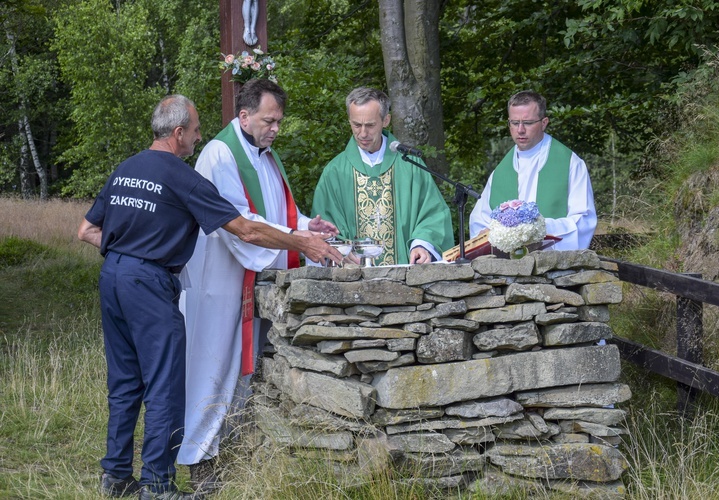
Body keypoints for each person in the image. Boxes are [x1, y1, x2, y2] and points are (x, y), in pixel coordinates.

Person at [78, 95, 340, 499]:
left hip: (112, 275)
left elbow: (86, 231)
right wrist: (300, 241)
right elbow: (245, 230)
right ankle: (157, 487)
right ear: (179, 133)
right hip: (148, 282)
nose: (200, 138)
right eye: (197, 131)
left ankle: (115, 476)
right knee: (165, 384)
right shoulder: (181, 176)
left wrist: (128, 253)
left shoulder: (126, 168)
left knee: (126, 380)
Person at [177, 78, 339, 492]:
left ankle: (229, 449)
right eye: (269, 121)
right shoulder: (220, 154)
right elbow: (242, 225)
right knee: (210, 365)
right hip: (218, 280)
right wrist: (300, 240)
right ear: (244, 116)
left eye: (279, 121)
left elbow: (278, 214)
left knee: (243, 369)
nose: (275, 129)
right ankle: (199, 461)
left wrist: (307, 225)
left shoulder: (267, 156)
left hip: (250, 279)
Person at [311, 87, 454, 265]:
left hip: (407, 279)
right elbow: (324, 227)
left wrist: (422, 245)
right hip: (352, 280)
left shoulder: (409, 165)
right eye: (356, 125)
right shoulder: (335, 172)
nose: (363, 133)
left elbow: (433, 214)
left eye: (370, 125)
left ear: (386, 120)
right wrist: (340, 251)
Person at [469, 90, 597, 250]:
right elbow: (479, 222)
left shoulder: (570, 163)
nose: (520, 130)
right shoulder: (500, 173)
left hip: (553, 267)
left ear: (544, 123)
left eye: (528, 123)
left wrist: (535, 229)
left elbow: (584, 221)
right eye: (514, 123)